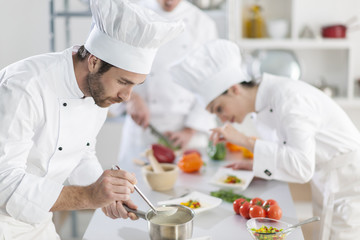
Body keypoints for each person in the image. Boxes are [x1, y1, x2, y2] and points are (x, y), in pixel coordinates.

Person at [0, 0, 184, 239]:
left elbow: (81, 153)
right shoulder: (24, 87)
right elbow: (4, 182)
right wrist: (89, 195)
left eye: (135, 86)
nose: (126, 97)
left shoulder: (98, 90)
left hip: (38, 222)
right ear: (94, 61)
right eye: (123, 82)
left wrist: (106, 195)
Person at [171, 39, 360, 240]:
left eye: (219, 109)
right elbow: (287, 149)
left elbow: (302, 167)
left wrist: (245, 140)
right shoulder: (263, 102)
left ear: (234, 89)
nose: (223, 119)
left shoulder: (289, 98)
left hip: (349, 183)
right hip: (327, 179)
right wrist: (257, 166)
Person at [110, 0, 218, 162]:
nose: (169, 1)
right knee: (133, 184)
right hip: (142, 129)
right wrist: (131, 98)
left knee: (190, 185)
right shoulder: (131, 16)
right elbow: (110, 68)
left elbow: (211, 82)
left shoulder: (203, 24)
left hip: (188, 133)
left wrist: (190, 129)